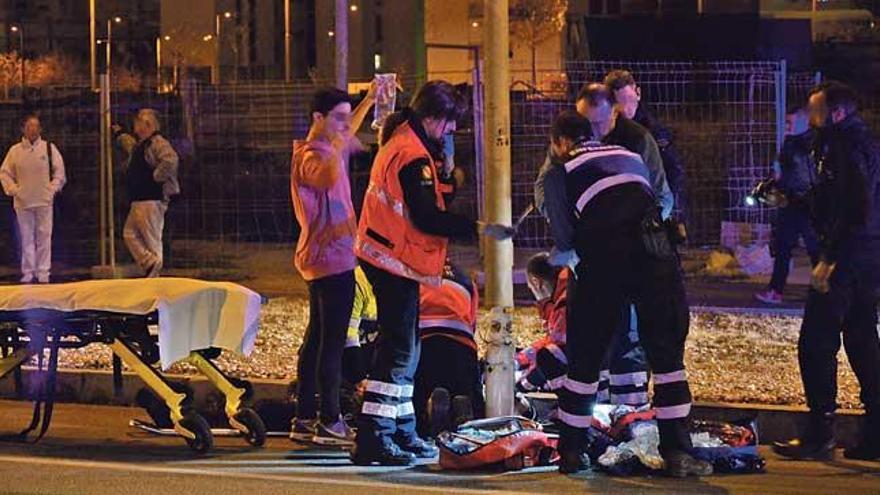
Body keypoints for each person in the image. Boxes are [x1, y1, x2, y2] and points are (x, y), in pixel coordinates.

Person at [352, 80, 513, 466]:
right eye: (450, 122)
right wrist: (476, 229)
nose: (452, 130)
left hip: (389, 256)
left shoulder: (405, 143)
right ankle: (373, 437)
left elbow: (424, 198)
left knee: (409, 349)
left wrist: (449, 181)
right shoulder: (412, 155)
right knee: (399, 351)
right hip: (394, 260)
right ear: (433, 118)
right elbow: (426, 216)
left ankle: (402, 431)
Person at [543, 110, 711, 477]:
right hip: (657, 256)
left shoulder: (560, 171)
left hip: (603, 261)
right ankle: (679, 451)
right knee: (667, 362)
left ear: (560, 143)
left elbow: (566, 237)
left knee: (585, 359)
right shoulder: (629, 155)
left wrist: (561, 254)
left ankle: (572, 451)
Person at [773, 82, 880, 461]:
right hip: (868, 254)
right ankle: (875, 432)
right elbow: (841, 199)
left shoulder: (842, 146)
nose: (810, 114)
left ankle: (820, 431)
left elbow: (855, 205)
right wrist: (796, 198)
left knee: (816, 341)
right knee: (863, 338)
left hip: (847, 255)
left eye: (815, 109)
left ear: (835, 113)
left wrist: (829, 257)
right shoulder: (862, 142)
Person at [289, 84, 376, 446]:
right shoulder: (311, 155)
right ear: (317, 118)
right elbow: (324, 174)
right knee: (333, 343)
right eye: (337, 118)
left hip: (325, 258)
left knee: (316, 341)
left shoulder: (325, 146)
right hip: (331, 259)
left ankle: (305, 417)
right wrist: (342, 142)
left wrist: (368, 100)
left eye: (346, 116)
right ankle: (330, 420)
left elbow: (343, 135)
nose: (345, 125)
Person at [518, 253, 649, 408]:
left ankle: (573, 407)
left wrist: (522, 385)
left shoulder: (568, 300)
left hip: (602, 397)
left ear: (536, 282)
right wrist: (521, 358)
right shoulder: (590, 287)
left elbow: (559, 349)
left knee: (548, 357)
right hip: (633, 382)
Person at [754, 106, 820, 305]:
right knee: (789, 248)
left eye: (791, 122)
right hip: (796, 203)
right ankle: (777, 290)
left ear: (804, 123)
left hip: (803, 205)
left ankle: (822, 291)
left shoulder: (804, 146)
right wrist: (772, 184)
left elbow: (801, 177)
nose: (787, 126)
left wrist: (780, 187)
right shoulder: (796, 143)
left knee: (812, 249)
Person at [604, 70, 689, 224]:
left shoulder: (654, 133)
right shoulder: (602, 132)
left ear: (638, 93)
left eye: (628, 99)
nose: (624, 108)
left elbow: (673, 173)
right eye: (617, 103)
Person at [413, 261, 484, 437]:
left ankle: (425, 417)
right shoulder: (466, 280)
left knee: (417, 393)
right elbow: (471, 321)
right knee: (468, 389)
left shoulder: (414, 271)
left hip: (424, 342)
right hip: (460, 344)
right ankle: (463, 410)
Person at [113, 109, 179, 277]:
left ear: (147, 125)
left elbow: (171, 160)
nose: (135, 128)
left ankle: (154, 274)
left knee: (151, 238)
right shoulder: (143, 144)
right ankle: (149, 263)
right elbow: (131, 146)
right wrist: (119, 133)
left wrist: (156, 177)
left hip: (150, 198)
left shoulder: (156, 142)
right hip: (139, 198)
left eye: (137, 124)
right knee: (130, 233)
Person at [0, 115, 65, 284]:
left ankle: (43, 272)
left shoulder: (49, 148)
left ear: (40, 129)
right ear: (23, 129)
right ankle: (28, 271)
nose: (33, 129)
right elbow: (5, 173)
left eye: (36, 126)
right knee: (26, 237)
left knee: (44, 236)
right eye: (29, 126)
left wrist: (52, 189)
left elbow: (59, 172)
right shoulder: (15, 151)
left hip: (44, 201)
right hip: (23, 202)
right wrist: (14, 190)